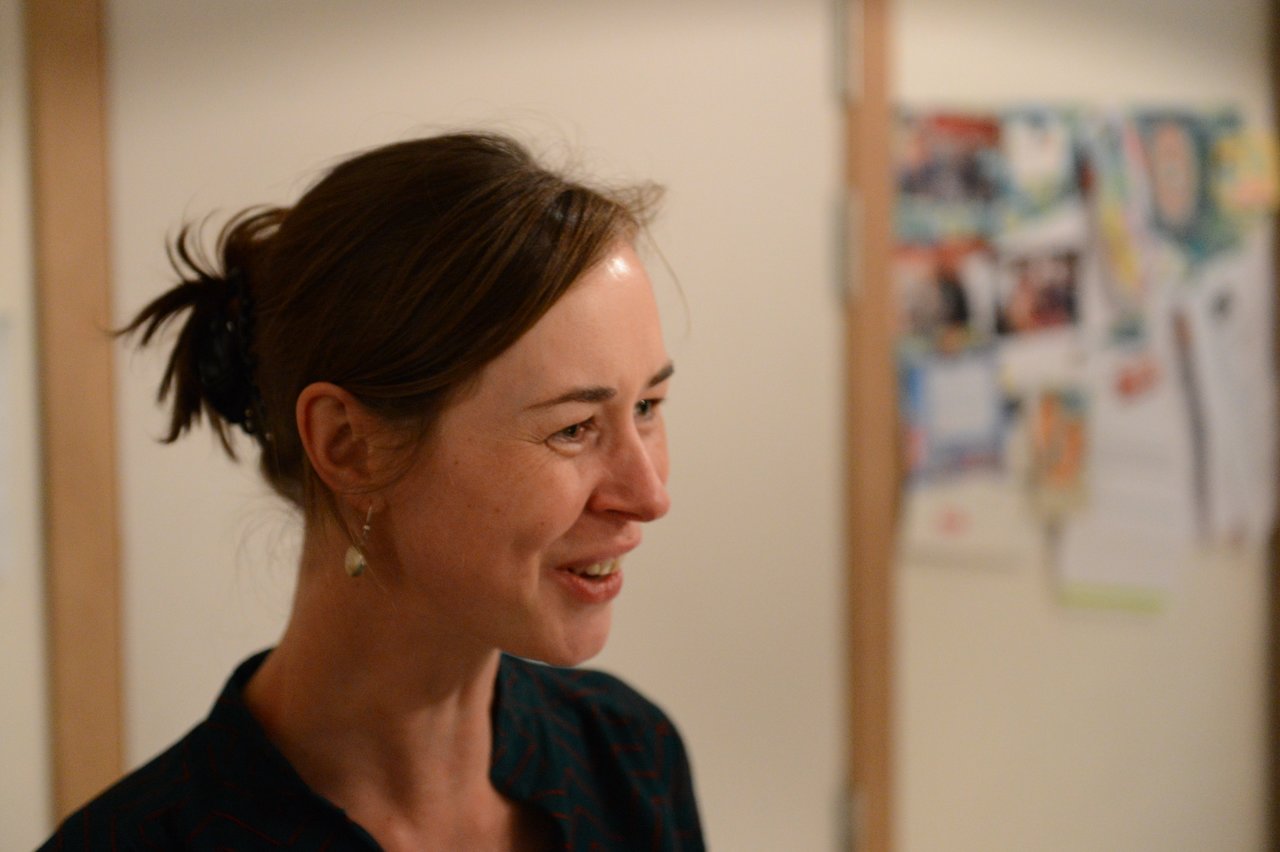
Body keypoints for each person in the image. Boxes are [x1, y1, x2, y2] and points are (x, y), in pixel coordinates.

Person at [39, 132, 703, 851]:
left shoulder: (629, 756)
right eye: (573, 428)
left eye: (647, 407)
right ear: (350, 446)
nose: (648, 496)